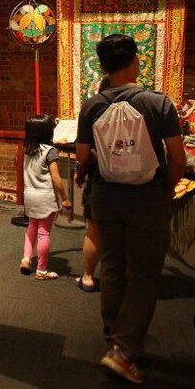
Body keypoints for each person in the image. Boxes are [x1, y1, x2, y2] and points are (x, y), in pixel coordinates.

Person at [75, 33, 186, 384]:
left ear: (103, 67)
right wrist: (167, 188)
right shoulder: (158, 103)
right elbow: (178, 158)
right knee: (143, 276)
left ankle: (115, 342)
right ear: (136, 61)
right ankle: (123, 352)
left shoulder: (92, 106)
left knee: (112, 269)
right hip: (147, 199)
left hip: (106, 197)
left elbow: (81, 157)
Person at [19, 114, 72, 280]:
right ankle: (42, 270)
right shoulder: (50, 152)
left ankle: (26, 258)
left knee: (31, 228)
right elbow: (56, 178)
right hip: (45, 197)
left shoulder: (26, 148)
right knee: (44, 233)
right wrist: (64, 198)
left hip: (30, 195)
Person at [74, 75, 112, 293]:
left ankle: (88, 277)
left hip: (101, 178)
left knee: (95, 230)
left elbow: (82, 154)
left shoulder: (93, 106)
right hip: (137, 183)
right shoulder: (145, 103)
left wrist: (82, 172)